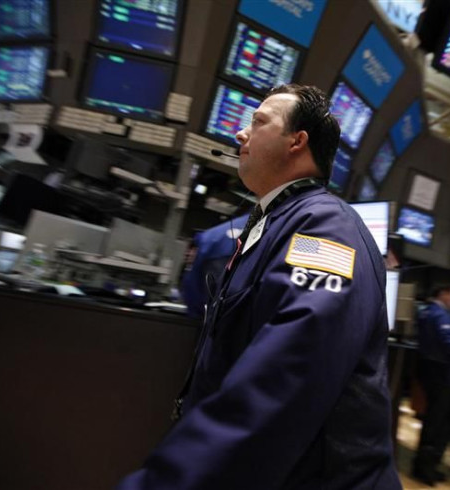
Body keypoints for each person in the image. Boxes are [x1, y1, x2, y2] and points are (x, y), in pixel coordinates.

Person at [117, 84, 401, 490]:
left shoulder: (326, 227)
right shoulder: (274, 222)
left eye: (258, 122)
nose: (240, 134)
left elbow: (287, 375)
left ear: (297, 142)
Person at [412, 286, 450, 486]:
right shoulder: (440, 315)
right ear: (444, 294)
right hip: (444, 377)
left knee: (432, 421)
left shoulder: (425, 312)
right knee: (439, 424)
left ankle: (424, 466)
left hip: (430, 374)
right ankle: (426, 470)